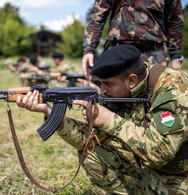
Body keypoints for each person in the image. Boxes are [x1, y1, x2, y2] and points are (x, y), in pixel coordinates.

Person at [15, 45, 188, 194]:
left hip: (178, 174)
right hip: (147, 165)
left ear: (132, 81)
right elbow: (86, 140)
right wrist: (49, 111)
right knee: (91, 152)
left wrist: (109, 120)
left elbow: (160, 153)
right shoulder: (120, 91)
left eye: (107, 84)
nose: (102, 90)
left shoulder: (173, 89)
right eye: (100, 83)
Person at [82, 0, 184, 78]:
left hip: (154, 53)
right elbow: (97, 16)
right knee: (115, 100)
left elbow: (175, 21)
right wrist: (88, 49)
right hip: (118, 51)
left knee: (155, 99)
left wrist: (176, 57)